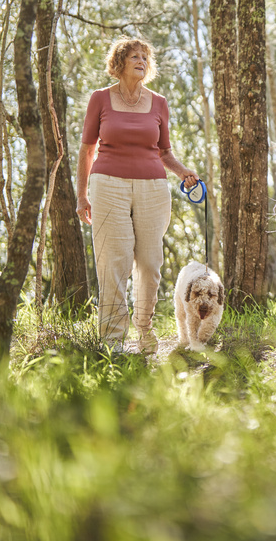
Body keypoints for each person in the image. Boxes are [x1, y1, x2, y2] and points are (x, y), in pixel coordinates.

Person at [75, 37, 198, 353]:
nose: (141, 60)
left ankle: (144, 329)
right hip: (107, 185)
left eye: (145, 56)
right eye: (134, 55)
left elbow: (165, 152)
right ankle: (113, 341)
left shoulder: (158, 102)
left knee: (149, 262)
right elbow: (88, 149)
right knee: (112, 262)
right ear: (119, 63)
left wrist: (183, 171)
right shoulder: (100, 99)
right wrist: (81, 195)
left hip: (153, 189)